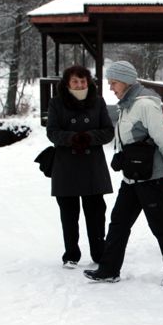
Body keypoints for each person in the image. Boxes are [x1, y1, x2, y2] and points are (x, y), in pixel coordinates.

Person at [83, 60, 163, 286]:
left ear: (127, 82)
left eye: (114, 83)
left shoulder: (144, 104)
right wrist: (122, 154)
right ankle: (108, 269)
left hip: (152, 177)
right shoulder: (127, 104)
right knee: (118, 222)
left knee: (161, 226)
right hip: (132, 176)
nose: (111, 88)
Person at [46, 65, 114, 268]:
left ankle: (98, 252)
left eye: (83, 81)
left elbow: (108, 131)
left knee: (95, 213)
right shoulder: (56, 103)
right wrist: (72, 138)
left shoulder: (98, 101)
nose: (80, 84)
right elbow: (52, 132)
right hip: (66, 165)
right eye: (75, 81)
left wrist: (89, 137)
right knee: (69, 213)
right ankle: (71, 254)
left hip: (92, 164)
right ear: (67, 83)